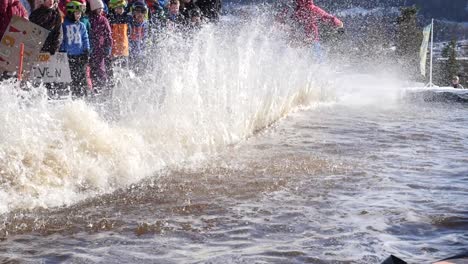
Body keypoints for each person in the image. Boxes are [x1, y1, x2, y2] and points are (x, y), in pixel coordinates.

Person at [61, 1, 90, 97]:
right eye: (77, 13)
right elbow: (62, 39)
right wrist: (62, 50)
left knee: (82, 75)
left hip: (80, 55)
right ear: (70, 12)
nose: (79, 15)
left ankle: (85, 94)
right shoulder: (64, 25)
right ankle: (74, 94)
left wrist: (87, 50)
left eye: (80, 13)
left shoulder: (81, 25)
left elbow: (85, 38)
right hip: (69, 56)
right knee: (72, 76)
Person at [89, 0, 112, 92]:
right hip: (91, 48)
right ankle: (93, 86)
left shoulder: (103, 20)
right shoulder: (90, 19)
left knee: (101, 68)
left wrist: (108, 47)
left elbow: (108, 34)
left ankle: (103, 85)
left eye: (101, 9)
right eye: (98, 9)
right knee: (91, 68)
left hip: (100, 48)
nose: (100, 10)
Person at [108, 0, 131, 67]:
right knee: (114, 66)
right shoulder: (112, 18)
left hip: (124, 47)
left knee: (124, 66)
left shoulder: (127, 18)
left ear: (124, 8)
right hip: (114, 48)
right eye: (117, 8)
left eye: (120, 8)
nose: (118, 10)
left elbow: (129, 32)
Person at [128, 1, 148, 74]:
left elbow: (145, 39)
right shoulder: (129, 21)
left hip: (139, 53)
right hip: (129, 53)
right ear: (133, 13)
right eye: (137, 12)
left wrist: (143, 53)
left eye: (142, 12)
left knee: (140, 71)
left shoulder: (145, 24)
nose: (140, 14)